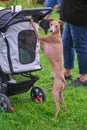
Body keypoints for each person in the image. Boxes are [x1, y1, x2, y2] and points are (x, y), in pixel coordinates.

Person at [60, 0, 87, 86]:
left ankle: (83, 78)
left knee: (80, 46)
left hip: (79, 16)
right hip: (70, 16)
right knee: (66, 44)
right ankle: (67, 72)